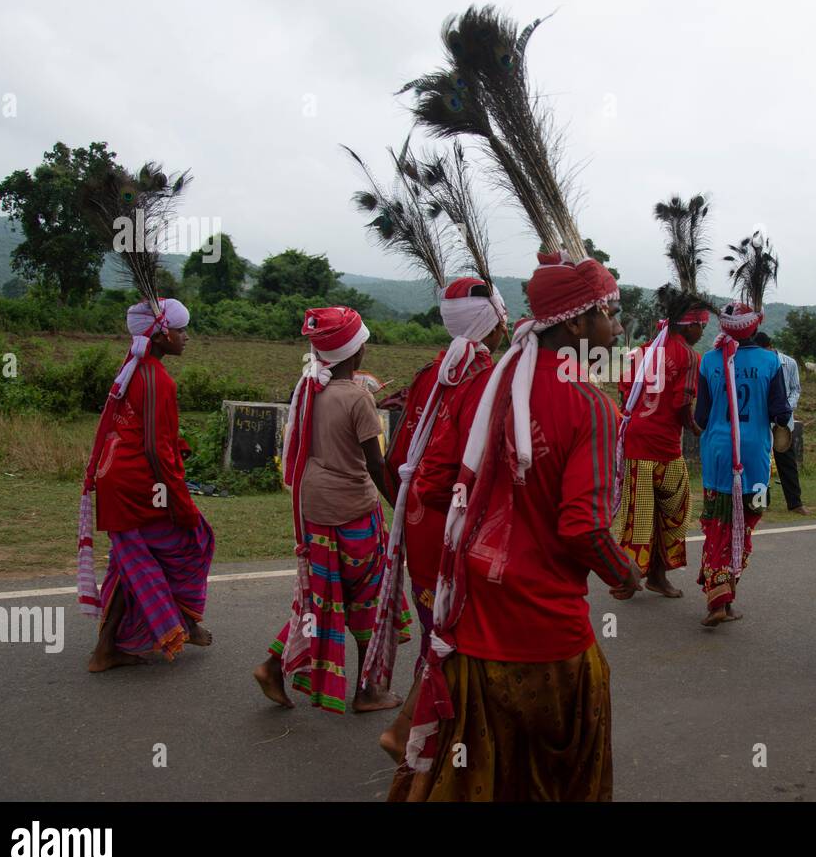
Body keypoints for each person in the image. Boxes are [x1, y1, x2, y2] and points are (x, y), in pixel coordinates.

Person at [389, 252, 640, 801]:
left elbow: (430, 483)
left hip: (472, 628)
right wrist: (626, 572)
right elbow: (583, 528)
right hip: (547, 636)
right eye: (611, 312)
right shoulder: (589, 403)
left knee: (477, 779)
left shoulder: (484, 386)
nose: (618, 327)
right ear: (576, 323)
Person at [377, 279, 508, 759]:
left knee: (440, 624)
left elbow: (398, 460)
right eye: (500, 314)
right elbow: (483, 468)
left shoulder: (433, 371)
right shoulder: (486, 379)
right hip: (457, 525)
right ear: (490, 323)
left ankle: (437, 734)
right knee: (460, 634)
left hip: (419, 522)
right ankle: (416, 728)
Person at [254, 306, 401, 714]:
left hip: (314, 508)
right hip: (353, 510)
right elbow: (376, 464)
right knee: (365, 600)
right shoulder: (357, 398)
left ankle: (272, 665)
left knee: (324, 596)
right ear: (355, 353)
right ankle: (368, 690)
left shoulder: (308, 390)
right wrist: (400, 505)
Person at [79, 298, 215, 672]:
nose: (187, 337)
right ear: (162, 333)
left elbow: (147, 432)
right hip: (137, 483)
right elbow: (157, 450)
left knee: (134, 559)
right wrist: (180, 503)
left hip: (118, 477)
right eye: (182, 330)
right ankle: (178, 622)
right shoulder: (157, 377)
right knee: (193, 541)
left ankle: (112, 646)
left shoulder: (137, 368)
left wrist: (177, 446)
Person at [695, 303, 792, 627]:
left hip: (716, 459)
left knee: (717, 524)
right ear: (754, 327)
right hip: (755, 461)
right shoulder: (770, 360)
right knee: (747, 520)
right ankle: (726, 592)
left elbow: (701, 417)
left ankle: (719, 592)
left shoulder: (709, 361)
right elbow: (781, 412)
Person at [615, 293, 709, 598]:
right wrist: (694, 427)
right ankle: (636, 578)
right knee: (674, 512)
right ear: (689, 326)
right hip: (663, 446)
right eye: (701, 326)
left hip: (636, 441)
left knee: (640, 516)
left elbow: (625, 391)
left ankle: (645, 577)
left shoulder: (644, 351)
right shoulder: (690, 357)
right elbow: (683, 405)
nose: (703, 332)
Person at [754, 331, 808, 515]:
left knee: (787, 463)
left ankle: (795, 503)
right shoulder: (757, 363)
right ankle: (760, 502)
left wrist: (784, 409)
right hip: (762, 421)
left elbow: (795, 389)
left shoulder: (789, 363)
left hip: (783, 423)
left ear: (770, 347)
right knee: (760, 463)